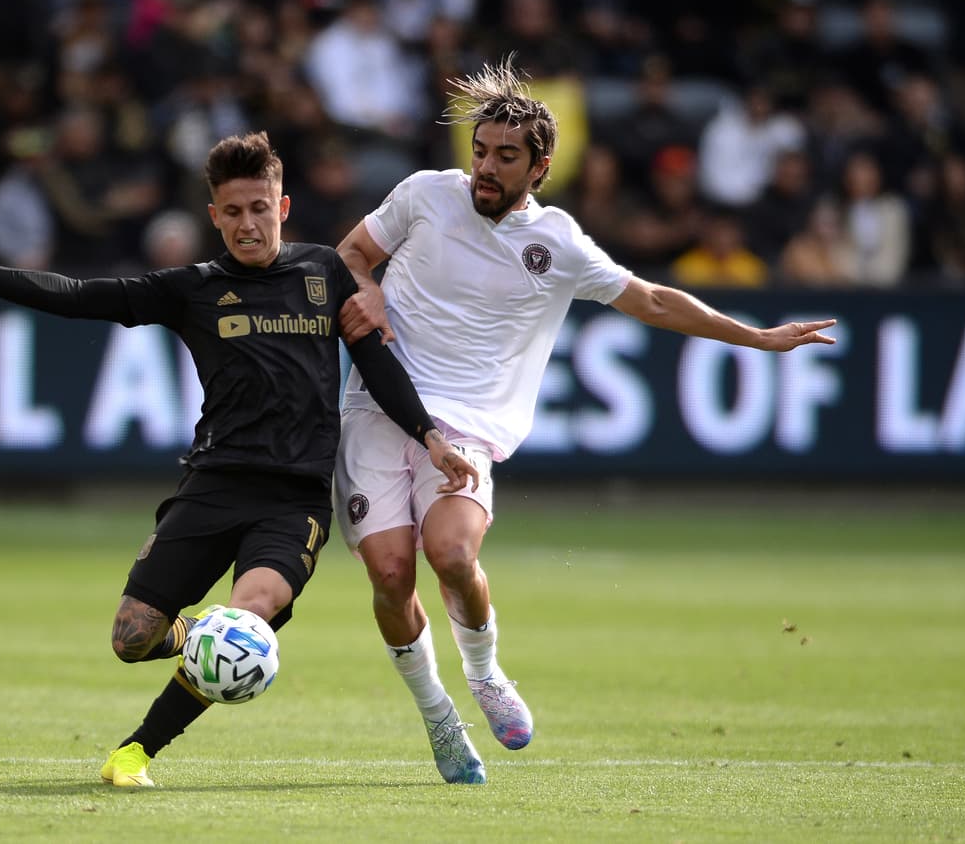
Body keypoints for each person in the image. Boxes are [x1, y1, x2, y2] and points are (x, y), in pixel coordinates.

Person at [0, 131, 479, 788]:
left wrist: (429, 435)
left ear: (281, 209)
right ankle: (193, 638)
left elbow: (373, 361)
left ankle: (135, 752)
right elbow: (81, 296)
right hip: (214, 485)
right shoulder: (193, 288)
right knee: (133, 638)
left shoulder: (322, 273)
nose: (247, 223)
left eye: (260, 207)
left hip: (294, 500)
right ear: (214, 217)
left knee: (242, 625)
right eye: (233, 211)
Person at [332, 58, 837, 785]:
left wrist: (756, 337)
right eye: (480, 151)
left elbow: (655, 301)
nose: (485, 167)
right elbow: (352, 253)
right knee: (388, 571)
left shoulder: (559, 244)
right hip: (380, 407)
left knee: (450, 554)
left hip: (470, 423)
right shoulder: (422, 196)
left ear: (539, 169)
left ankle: (484, 672)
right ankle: (438, 715)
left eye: (506, 157)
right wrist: (368, 292)